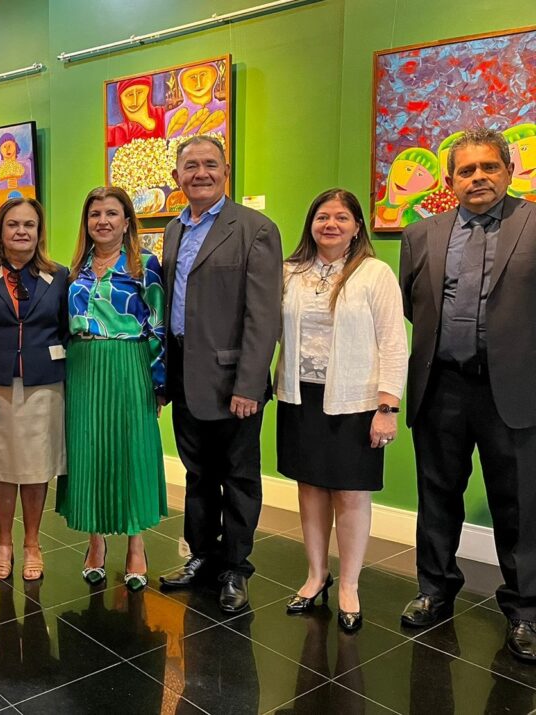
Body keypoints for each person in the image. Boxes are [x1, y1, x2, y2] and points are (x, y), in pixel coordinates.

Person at [399, 128, 536, 662]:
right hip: (441, 386)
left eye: (488, 167)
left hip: (513, 390)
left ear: (508, 171)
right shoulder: (421, 234)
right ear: (450, 180)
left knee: (518, 503)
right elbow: (414, 305)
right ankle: (434, 590)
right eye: (466, 170)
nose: (478, 177)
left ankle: (525, 610)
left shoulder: (532, 223)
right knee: (436, 496)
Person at [158, 136, 282, 614]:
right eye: (190, 166)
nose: (201, 173)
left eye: (210, 164)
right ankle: (202, 556)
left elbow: (263, 315)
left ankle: (235, 568)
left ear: (226, 172)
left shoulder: (254, 229)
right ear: (177, 177)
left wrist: (249, 384)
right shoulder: (174, 229)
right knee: (198, 475)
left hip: (234, 382)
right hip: (185, 376)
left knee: (239, 477)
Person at [275, 188, 407, 632]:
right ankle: (316, 575)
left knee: (350, 493)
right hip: (300, 396)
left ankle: (349, 584)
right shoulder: (290, 272)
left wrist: (387, 406)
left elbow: (394, 343)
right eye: (322, 217)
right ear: (311, 224)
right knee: (310, 489)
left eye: (341, 218)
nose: (330, 224)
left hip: (356, 400)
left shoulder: (374, 273)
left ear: (356, 227)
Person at [55, 186, 168, 592]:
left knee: (130, 451)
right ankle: (95, 542)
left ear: (126, 221)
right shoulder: (74, 270)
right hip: (83, 366)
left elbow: (158, 325)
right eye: (95, 214)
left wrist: (158, 382)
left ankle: (136, 544)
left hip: (128, 364)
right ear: (86, 222)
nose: (102, 221)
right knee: (90, 452)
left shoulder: (145, 265)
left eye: (111, 213)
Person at [0, 197, 69, 581]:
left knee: (37, 468)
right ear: (0, 231)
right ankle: (4, 542)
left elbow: (67, 330)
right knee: (3, 467)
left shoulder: (59, 276)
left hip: (45, 382)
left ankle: (32, 544)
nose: (21, 231)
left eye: (29, 225)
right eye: (13, 224)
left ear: (39, 232)